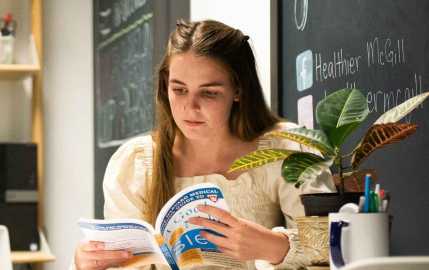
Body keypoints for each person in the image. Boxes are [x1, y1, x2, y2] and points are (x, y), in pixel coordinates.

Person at [72, 19, 335, 270]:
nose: (190, 107)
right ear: (165, 85)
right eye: (179, 89)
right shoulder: (136, 163)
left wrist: (275, 247)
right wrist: (88, 262)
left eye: (209, 92)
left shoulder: (286, 147)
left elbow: (334, 249)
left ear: (239, 90)